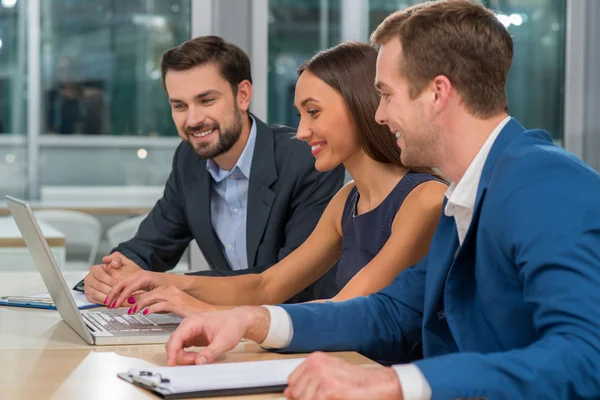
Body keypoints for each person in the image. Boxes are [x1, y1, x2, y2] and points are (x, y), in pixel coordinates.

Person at [163, 1, 600, 399]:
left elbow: (585, 359)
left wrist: (396, 382)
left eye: (386, 94)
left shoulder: (546, 181)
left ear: (437, 93)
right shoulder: (465, 195)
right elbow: (390, 312)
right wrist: (251, 320)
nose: (378, 114)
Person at [103, 42, 447, 317]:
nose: (300, 131)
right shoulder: (346, 201)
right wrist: (154, 282)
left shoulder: (426, 200)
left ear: (361, 105)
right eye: (300, 115)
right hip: (345, 365)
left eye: (313, 112)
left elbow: (347, 311)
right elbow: (267, 286)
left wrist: (212, 313)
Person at [83, 35, 346, 306]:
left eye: (206, 100)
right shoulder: (189, 160)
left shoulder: (307, 159)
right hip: (230, 330)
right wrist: (110, 273)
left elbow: (288, 284)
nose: (193, 120)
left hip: (303, 332)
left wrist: (170, 286)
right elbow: (151, 244)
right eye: (180, 106)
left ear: (242, 95)